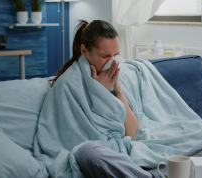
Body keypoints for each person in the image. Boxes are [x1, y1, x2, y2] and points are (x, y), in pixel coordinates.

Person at [50, 19, 153, 178]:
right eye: (105, 56)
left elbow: (131, 134)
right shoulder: (68, 85)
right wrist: (99, 93)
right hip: (93, 153)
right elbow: (81, 140)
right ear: (84, 51)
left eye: (116, 55)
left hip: (114, 156)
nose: (112, 62)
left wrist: (118, 91)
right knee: (89, 151)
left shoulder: (116, 77)